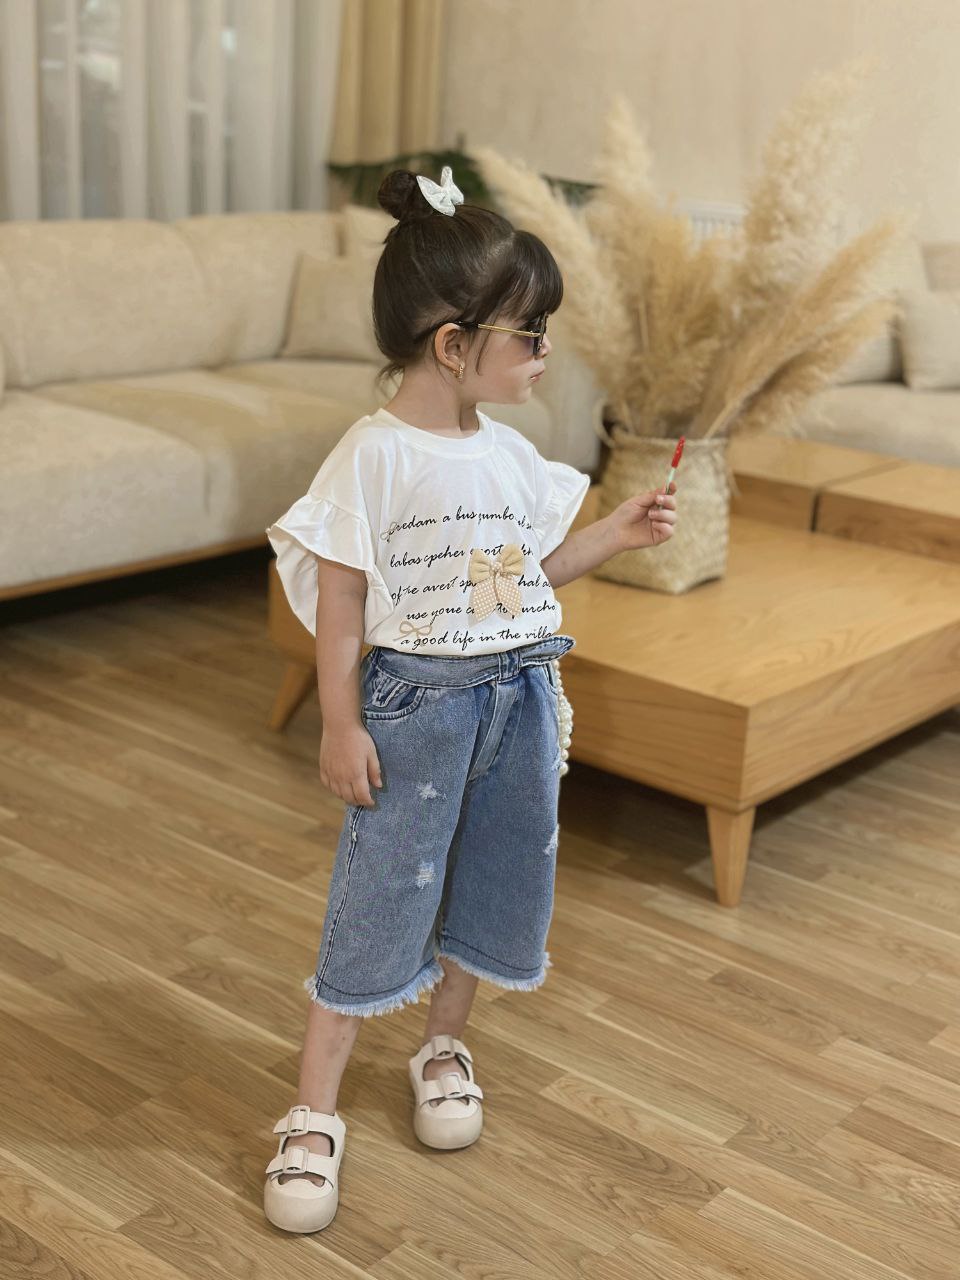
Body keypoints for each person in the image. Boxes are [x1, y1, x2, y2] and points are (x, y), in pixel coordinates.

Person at [261, 165, 678, 1233]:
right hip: (419, 714)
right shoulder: (373, 458)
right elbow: (342, 605)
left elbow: (525, 576)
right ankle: (312, 1112)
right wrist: (341, 720)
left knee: (493, 884)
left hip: (519, 706)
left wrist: (612, 534)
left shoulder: (511, 456)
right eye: (529, 335)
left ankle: (444, 1045)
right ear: (454, 344)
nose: (545, 353)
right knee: (378, 903)